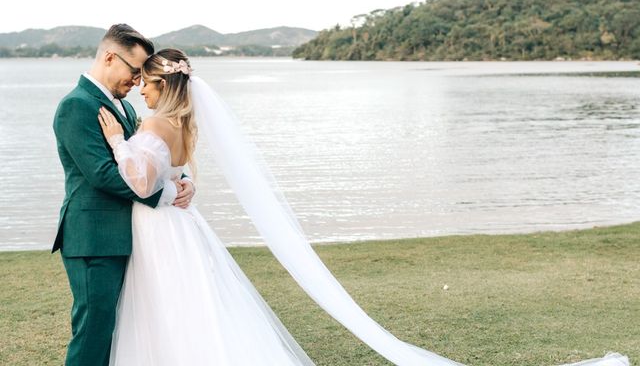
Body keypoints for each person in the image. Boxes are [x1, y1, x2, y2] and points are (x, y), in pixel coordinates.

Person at [99, 48, 628, 366]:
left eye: (145, 82)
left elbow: (143, 181)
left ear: (163, 83)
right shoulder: (185, 126)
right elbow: (175, 174)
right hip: (179, 229)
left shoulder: (150, 124)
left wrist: (118, 144)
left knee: (170, 307)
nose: (140, 90)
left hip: (164, 230)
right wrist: (180, 182)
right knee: (189, 308)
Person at [52, 25, 194, 366]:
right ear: (110, 57)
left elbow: (145, 163)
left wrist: (183, 179)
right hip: (93, 238)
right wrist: (167, 193)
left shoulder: (126, 110)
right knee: (93, 331)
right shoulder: (76, 106)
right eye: (135, 71)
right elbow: (102, 174)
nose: (137, 81)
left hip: (127, 235)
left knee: (119, 331)